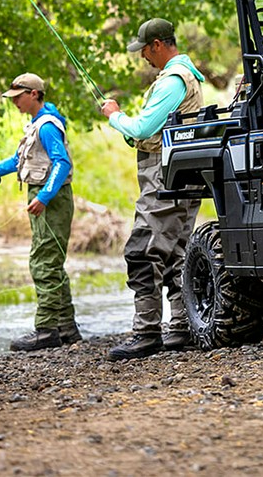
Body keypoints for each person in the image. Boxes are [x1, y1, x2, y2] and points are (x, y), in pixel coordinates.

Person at [100, 18, 205, 361]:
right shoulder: (185, 76)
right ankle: (180, 327)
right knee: (176, 251)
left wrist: (115, 116)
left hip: (164, 177)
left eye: (144, 49)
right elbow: (150, 130)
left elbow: (145, 125)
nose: (143, 56)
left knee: (142, 251)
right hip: (180, 173)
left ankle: (146, 332)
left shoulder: (173, 80)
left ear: (158, 44)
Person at [0, 73, 79, 351]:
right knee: (51, 261)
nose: (14, 102)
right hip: (46, 199)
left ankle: (46, 330)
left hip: (52, 201)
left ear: (34, 94)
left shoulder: (48, 126)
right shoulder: (37, 124)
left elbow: (61, 163)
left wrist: (44, 196)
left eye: (18, 97)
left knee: (43, 262)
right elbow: (18, 161)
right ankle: (67, 329)